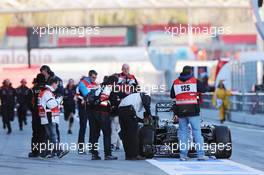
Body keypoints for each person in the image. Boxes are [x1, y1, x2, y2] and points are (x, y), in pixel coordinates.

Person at [170, 66, 207, 161]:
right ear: (191, 72)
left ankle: (183, 155)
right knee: (197, 132)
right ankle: (200, 155)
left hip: (181, 111)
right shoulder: (195, 81)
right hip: (193, 111)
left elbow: (172, 95)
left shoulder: (176, 82)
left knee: (183, 133)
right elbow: (204, 89)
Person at [38, 77, 69, 158]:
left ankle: (44, 152)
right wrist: (59, 100)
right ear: (53, 83)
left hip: (46, 116)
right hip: (49, 116)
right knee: (53, 135)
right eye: (57, 84)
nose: (57, 86)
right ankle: (59, 152)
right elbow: (51, 105)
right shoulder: (47, 93)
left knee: (49, 136)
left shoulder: (44, 91)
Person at [89, 75, 118, 160]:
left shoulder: (99, 86)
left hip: (93, 112)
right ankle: (108, 154)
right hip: (103, 113)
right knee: (107, 134)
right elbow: (113, 101)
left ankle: (94, 154)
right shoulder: (110, 87)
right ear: (114, 82)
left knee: (94, 134)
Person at [118, 92, 152, 160]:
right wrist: (149, 114)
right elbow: (146, 104)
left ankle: (128, 155)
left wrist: (141, 120)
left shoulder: (134, 98)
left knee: (125, 134)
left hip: (120, 109)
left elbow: (133, 117)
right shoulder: (146, 96)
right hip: (128, 109)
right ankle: (135, 155)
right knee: (134, 133)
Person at [77, 70, 99, 154]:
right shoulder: (83, 83)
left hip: (92, 108)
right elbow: (87, 94)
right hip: (83, 108)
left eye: (95, 77)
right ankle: (81, 148)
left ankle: (91, 148)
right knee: (83, 128)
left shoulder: (95, 84)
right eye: (93, 77)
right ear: (89, 76)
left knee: (93, 128)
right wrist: (94, 92)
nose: (94, 79)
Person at [40, 65, 63, 142]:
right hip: (46, 108)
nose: (42, 74)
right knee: (48, 131)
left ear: (46, 71)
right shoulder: (42, 79)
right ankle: (49, 149)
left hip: (52, 107)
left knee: (54, 130)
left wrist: (56, 100)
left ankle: (57, 147)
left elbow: (61, 93)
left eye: (43, 72)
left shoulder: (57, 79)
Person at [28, 74, 47, 158]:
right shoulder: (47, 89)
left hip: (36, 114)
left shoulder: (32, 90)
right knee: (44, 133)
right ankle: (43, 151)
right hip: (45, 114)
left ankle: (35, 152)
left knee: (35, 133)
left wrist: (33, 110)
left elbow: (28, 102)